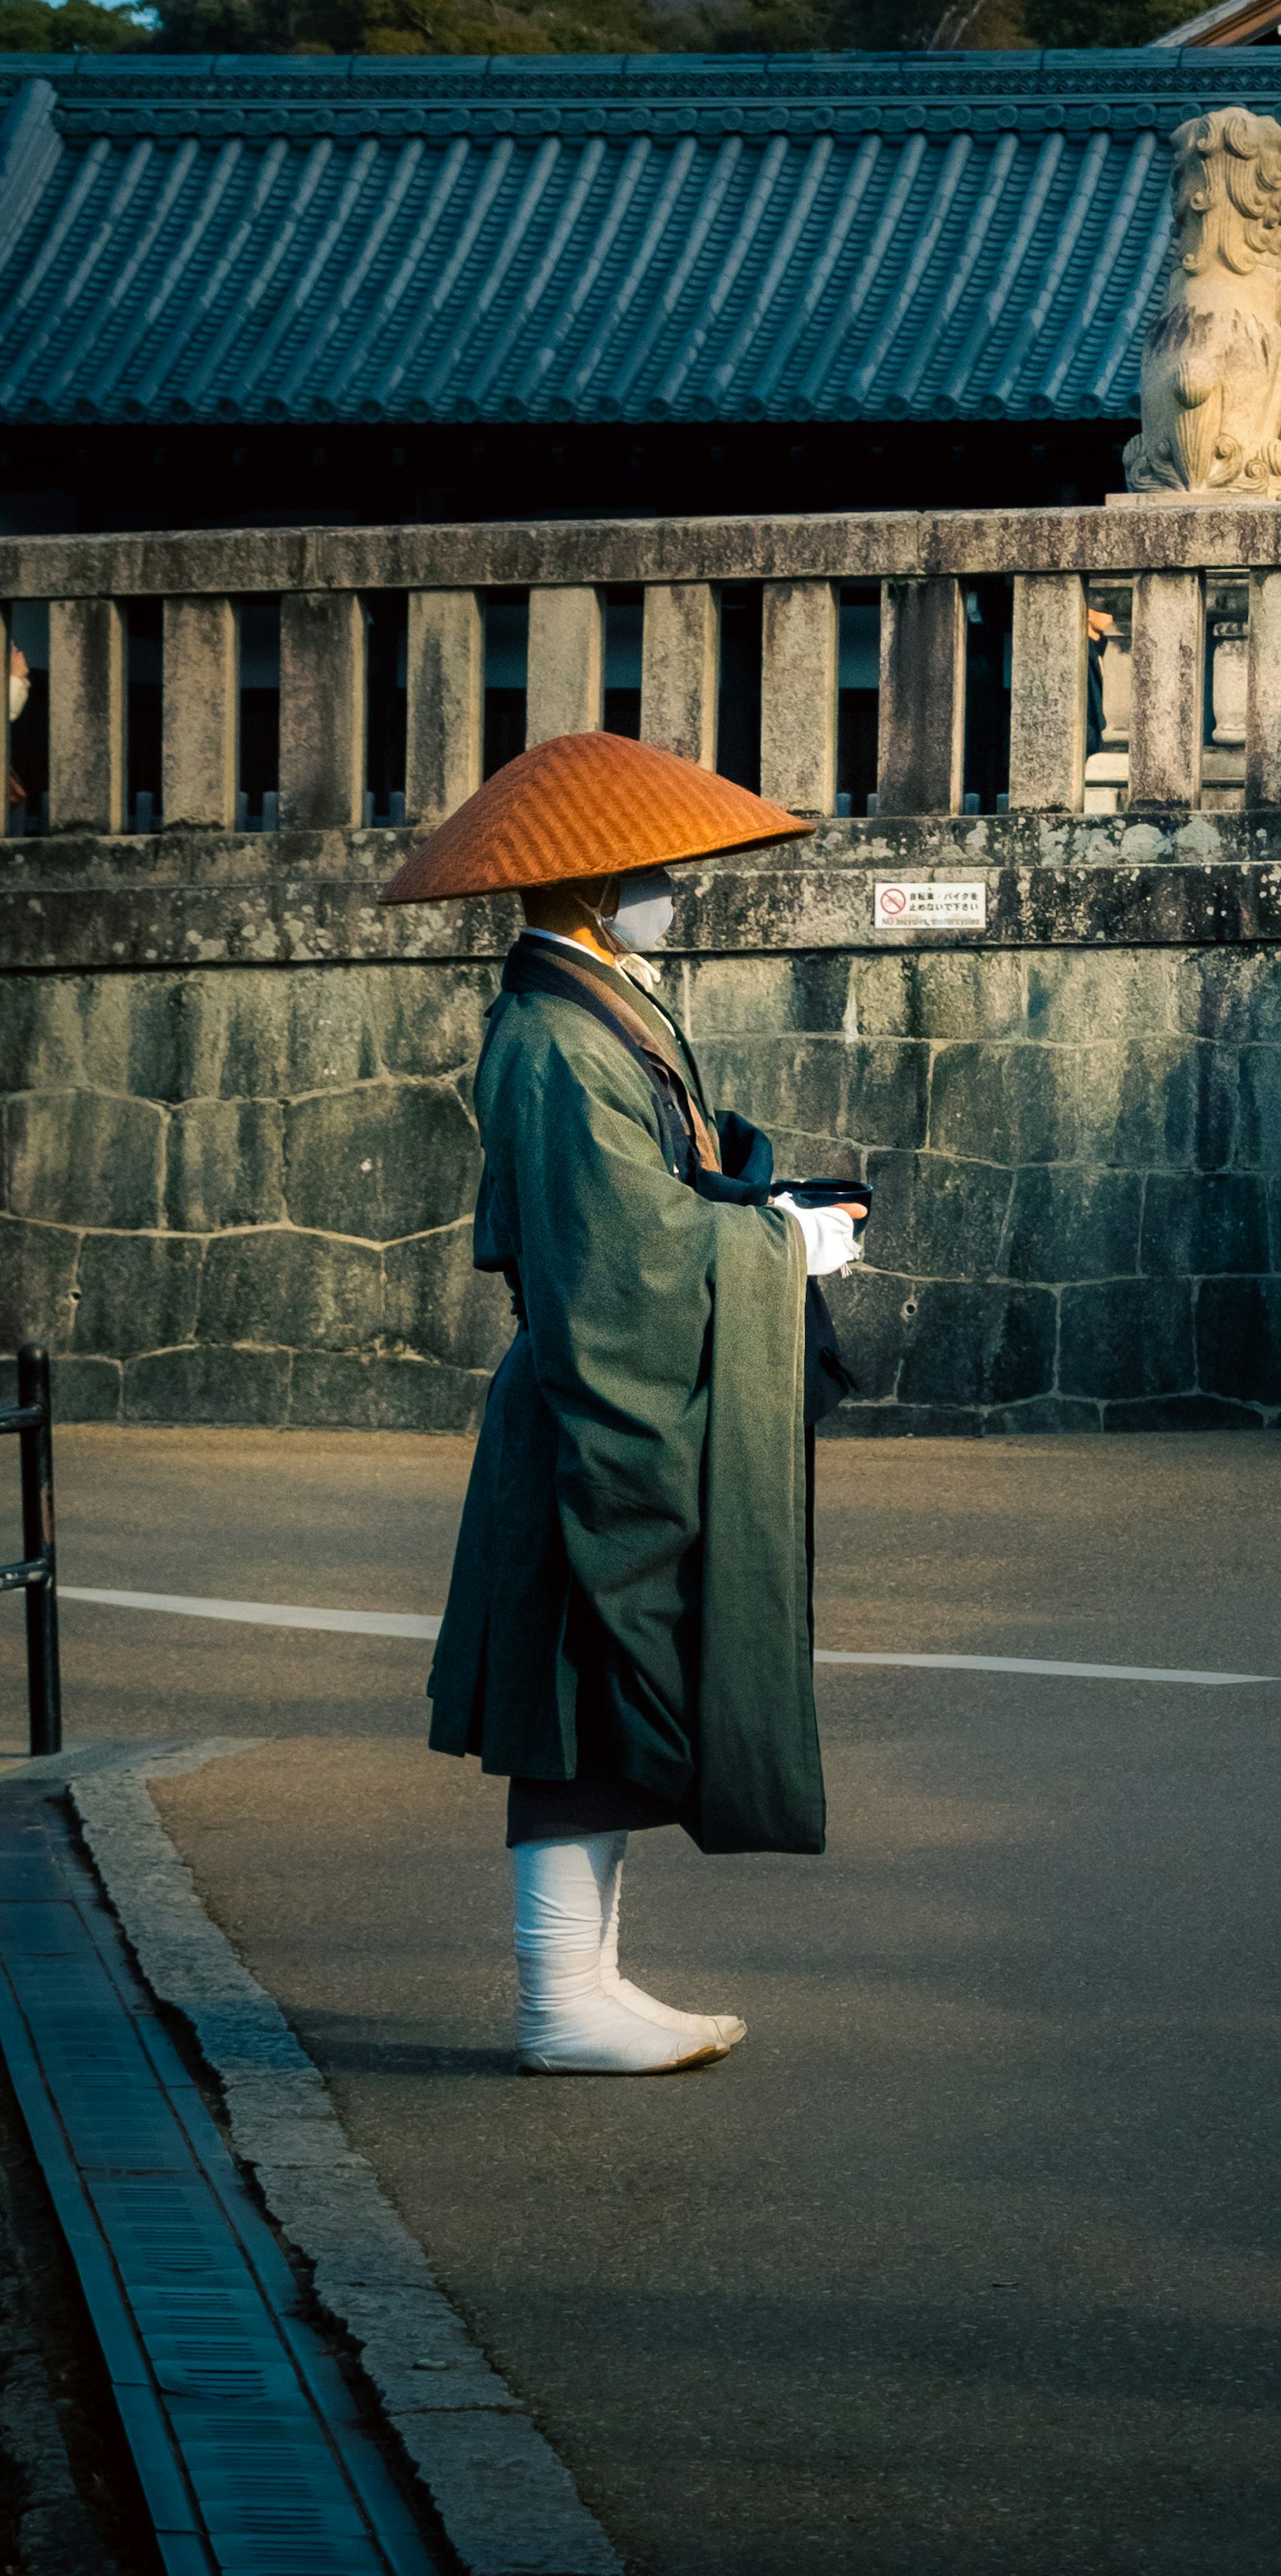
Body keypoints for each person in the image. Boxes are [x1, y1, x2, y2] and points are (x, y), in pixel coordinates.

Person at [387, 733, 866, 2076]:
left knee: (606, 1700)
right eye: (653, 869)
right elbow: (617, 1250)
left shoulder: (602, 1003)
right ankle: (557, 2000)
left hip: (596, 1400)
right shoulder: (549, 1032)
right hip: (589, 1407)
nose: (675, 888)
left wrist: (761, 1197)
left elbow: (666, 1186)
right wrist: (783, 1249)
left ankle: (589, 1985)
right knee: (579, 1697)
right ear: (594, 890)